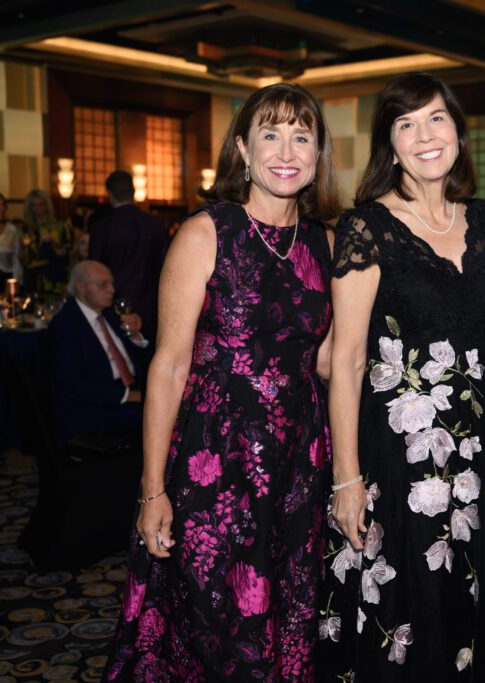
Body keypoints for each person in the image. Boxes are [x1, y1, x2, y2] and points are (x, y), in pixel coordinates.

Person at [103, 82, 340, 681]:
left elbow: (330, 362)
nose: (285, 151)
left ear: (318, 154)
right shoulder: (207, 232)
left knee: (291, 614)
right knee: (216, 623)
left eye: (301, 137)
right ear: (242, 148)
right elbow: (168, 365)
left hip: (299, 462)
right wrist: (152, 489)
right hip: (217, 460)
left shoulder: (326, 243)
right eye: (270, 135)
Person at [319, 73, 485, 681]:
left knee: (464, 607)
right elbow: (346, 360)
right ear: (390, 145)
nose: (425, 135)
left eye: (436, 118)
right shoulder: (367, 228)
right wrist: (347, 478)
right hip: (398, 462)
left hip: (478, 457)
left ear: (458, 132)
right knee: (408, 611)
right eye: (406, 124)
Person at [45, 260, 149, 446]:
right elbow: (74, 387)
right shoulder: (64, 326)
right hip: (96, 408)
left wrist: (135, 335)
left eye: (112, 284)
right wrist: (129, 395)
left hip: (131, 389)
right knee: (162, 416)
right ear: (81, 288)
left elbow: (141, 362)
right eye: (103, 284)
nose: (112, 290)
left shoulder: (111, 314)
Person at [89, 170, 171, 334]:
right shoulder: (155, 225)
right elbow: (167, 267)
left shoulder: (102, 228)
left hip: (115, 306)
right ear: (133, 192)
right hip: (152, 306)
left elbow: (95, 271)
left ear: (109, 194)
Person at [21, 188, 75, 293]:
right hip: (34, 278)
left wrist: (55, 244)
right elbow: (24, 257)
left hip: (58, 275)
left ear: (47, 205)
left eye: (41, 204)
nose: (37, 209)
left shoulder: (61, 225)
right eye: (34, 205)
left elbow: (70, 251)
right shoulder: (25, 228)